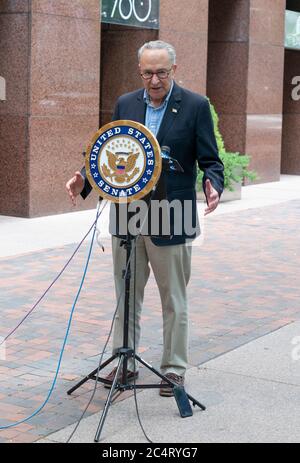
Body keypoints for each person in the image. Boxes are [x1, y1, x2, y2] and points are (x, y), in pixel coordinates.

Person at [66, 40, 224, 396]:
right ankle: (126, 365)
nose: (154, 81)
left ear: (174, 71)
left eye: (161, 73)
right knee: (126, 295)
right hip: (127, 214)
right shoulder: (126, 103)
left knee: (174, 299)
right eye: (148, 73)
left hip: (173, 213)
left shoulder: (196, 106)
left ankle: (174, 369)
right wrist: (83, 178)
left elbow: (211, 160)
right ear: (140, 72)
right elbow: (110, 152)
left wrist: (213, 184)